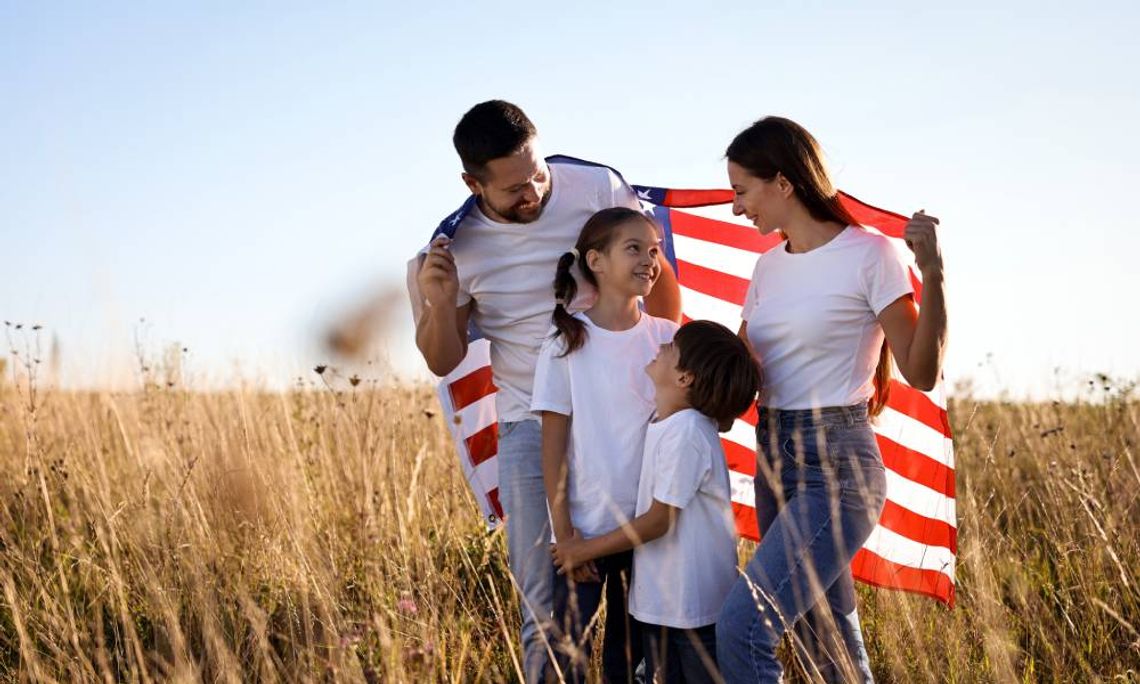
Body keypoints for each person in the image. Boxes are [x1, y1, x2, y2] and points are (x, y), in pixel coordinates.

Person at [410, 101, 681, 682]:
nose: (533, 191)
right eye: (513, 188)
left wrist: (665, 400)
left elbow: (658, 289)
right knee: (549, 610)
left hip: (624, 418)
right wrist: (439, 301)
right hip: (529, 432)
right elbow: (443, 358)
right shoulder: (451, 249)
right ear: (471, 183)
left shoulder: (597, 185)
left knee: (646, 600)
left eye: (536, 173)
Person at [714, 116, 947, 683]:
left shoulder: (870, 256)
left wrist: (933, 273)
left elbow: (921, 371)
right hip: (774, 458)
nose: (737, 207)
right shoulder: (767, 267)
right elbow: (740, 373)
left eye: (742, 190)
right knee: (829, 644)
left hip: (837, 469)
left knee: (743, 628)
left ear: (783, 183)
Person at [552, 320, 761, 683]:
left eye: (672, 348)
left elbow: (658, 521)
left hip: (693, 611)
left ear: (685, 378)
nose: (662, 347)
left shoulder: (688, 431)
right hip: (664, 607)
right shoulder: (665, 422)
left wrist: (583, 550)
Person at [531, 207, 681, 683]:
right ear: (596, 261)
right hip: (584, 535)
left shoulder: (669, 340)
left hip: (651, 535)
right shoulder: (566, 343)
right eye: (634, 248)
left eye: (654, 250)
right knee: (565, 657)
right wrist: (565, 537)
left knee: (634, 660)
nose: (649, 260)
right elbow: (553, 446)